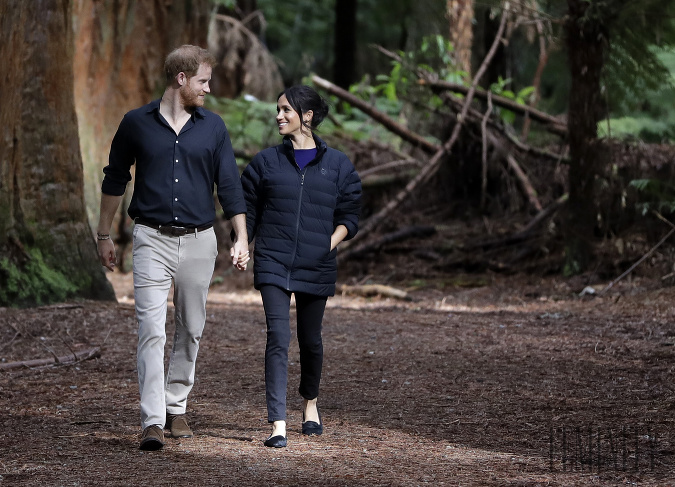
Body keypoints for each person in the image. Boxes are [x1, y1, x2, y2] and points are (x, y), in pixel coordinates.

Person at [96, 45, 250, 451]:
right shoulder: (135, 124)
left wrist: (241, 236)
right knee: (150, 330)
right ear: (181, 79)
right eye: (203, 81)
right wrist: (102, 234)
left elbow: (230, 185)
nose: (209, 89)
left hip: (200, 240)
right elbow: (114, 179)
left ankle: (175, 406)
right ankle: (151, 421)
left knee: (191, 328)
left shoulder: (213, 128)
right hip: (151, 238)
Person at [241, 85, 362, 448]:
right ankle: (278, 423)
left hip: (317, 263)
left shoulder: (338, 165)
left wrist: (327, 243)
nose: (278, 116)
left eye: (285, 110)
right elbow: (246, 209)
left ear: (306, 116)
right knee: (277, 338)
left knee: (310, 340)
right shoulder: (265, 163)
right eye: (277, 110)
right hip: (273, 260)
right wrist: (241, 242)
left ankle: (310, 401)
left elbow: (350, 214)